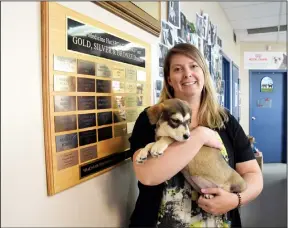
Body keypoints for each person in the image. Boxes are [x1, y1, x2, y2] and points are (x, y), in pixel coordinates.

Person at [128, 43, 263, 228]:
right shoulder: (152, 118)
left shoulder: (224, 120)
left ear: (203, 74)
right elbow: (147, 175)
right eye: (178, 69)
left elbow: (252, 174)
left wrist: (235, 200)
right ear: (169, 79)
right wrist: (199, 136)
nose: (187, 74)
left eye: (193, 66)